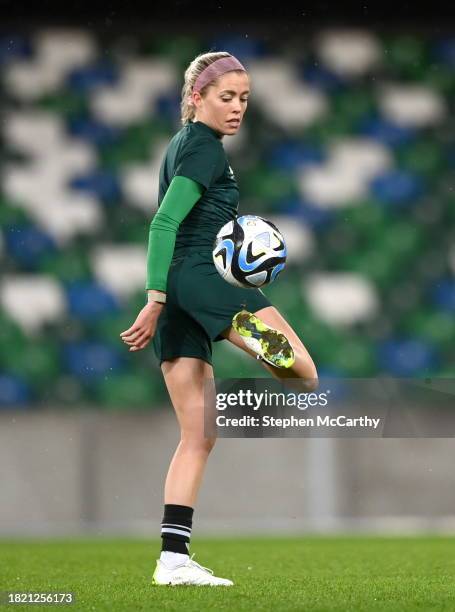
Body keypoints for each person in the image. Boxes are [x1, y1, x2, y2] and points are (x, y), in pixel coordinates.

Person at [120, 51, 318, 586]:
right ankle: (245, 334)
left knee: (198, 434)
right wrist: (156, 296)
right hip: (201, 282)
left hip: (185, 287)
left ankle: (173, 559)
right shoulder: (203, 148)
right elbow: (163, 223)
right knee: (303, 370)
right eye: (225, 97)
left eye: (244, 99)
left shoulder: (184, 146)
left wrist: (166, 298)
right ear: (195, 98)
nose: (236, 108)